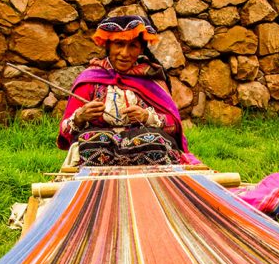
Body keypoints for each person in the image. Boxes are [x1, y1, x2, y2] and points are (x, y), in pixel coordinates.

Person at [57, 15, 199, 167]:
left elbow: (175, 126)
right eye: (119, 44)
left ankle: (156, 187)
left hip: (144, 148)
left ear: (141, 49)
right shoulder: (90, 78)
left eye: (133, 46)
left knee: (153, 142)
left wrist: (147, 117)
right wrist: (80, 117)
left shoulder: (151, 78)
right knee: (94, 141)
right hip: (101, 149)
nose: (125, 53)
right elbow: (65, 132)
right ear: (108, 45)